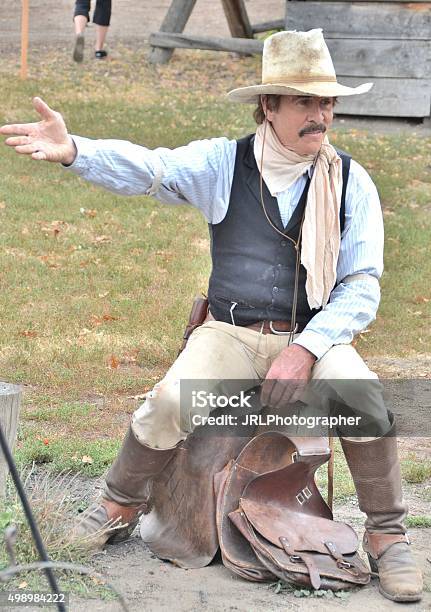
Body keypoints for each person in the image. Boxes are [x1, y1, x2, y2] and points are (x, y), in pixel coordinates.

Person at [0, 29, 423, 603]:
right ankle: (116, 504)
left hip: (313, 336)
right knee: (173, 399)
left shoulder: (351, 181)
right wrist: (75, 149)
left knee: (365, 400)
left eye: (326, 102)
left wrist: (306, 350)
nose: (320, 114)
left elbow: (359, 287)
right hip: (234, 330)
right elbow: (152, 168)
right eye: (304, 101)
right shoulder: (224, 164)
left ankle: (386, 536)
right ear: (268, 106)